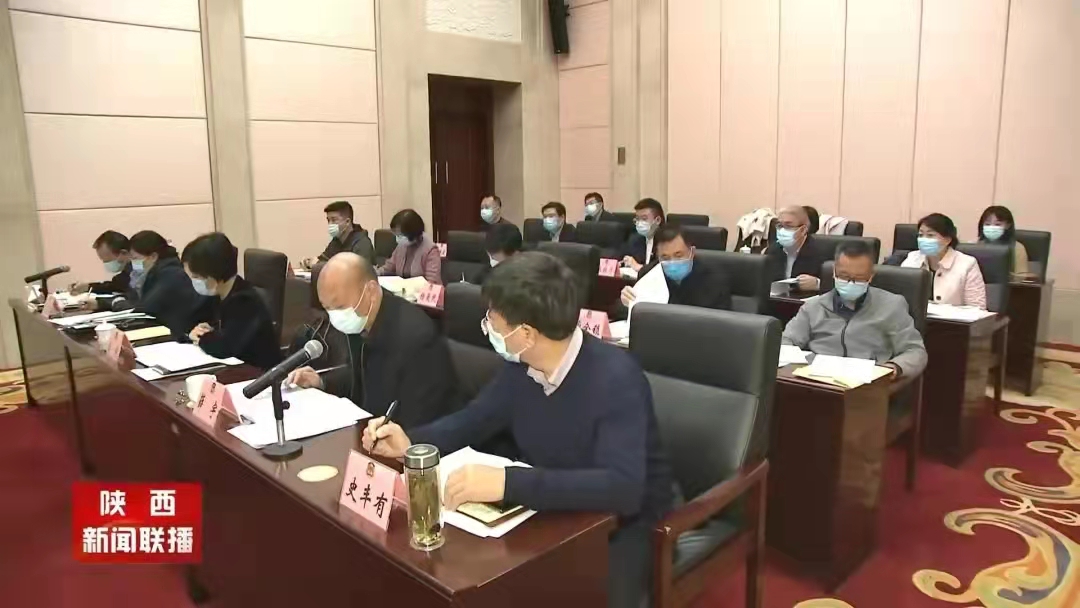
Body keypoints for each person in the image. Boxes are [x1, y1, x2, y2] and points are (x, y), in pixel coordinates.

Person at [362, 252, 673, 608]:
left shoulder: (616, 379)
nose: (487, 328)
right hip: (554, 506)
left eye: (492, 320)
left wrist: (507, 483)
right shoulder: (522, 367)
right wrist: (412, 442)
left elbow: (623, 488)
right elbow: (474, 419)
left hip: (626, 523)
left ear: (526, 333)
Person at [286, 253, 459, 428]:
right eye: (327, 308)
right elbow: (360, 378)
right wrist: (322, 382)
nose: (335, 317)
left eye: (339, 307)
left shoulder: (415, 338)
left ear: (371, 291)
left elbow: (421, 418)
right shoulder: (361, 322)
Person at [783, 241, 927, 379]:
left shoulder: (892, 305)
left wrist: (893, 367)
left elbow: (914, 351)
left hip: (867, 382)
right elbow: (786, 340)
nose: (851, 283)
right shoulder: (813, 306)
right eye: (844, 276)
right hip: (817, 380)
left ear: (870, 276)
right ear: (834, 272)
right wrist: (800, 362)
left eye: (859, 278)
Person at [181, 232, 283, 371]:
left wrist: (202, 337)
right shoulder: (216, 293)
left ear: (213, 274)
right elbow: (187, 321)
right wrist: (197, 332)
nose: (194, 282)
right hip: (235, 370)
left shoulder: (245, 301)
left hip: (259, 373)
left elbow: (225, 347)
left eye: (196, 277)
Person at [617, 224, 731, 319]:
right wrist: (627, 302)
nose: (672, 263)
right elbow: (620, 312)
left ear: (692, 252)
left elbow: (722, 324)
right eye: (665, 257)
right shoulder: (648, 273)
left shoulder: (715, 279)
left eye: (679, 255)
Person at [120, 230, 205, 339]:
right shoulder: (156, 272)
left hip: (184, 334)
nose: (132, 263)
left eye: (135, 258)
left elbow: (146, 307)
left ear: (153, 257)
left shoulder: (171, 274)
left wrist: (117, 303)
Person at [901, 213, 987, 309]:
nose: (923, 239)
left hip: (952, 318)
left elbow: (977, 308)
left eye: (930, 235)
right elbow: (900, 296)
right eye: (921, 235)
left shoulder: (967, 264)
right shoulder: (912, 258)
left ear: (947, 240)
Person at [70, 230, 140, 308]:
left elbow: (132, 300)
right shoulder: (127, 272)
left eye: (108, 261)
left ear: (124, 253)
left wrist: (99, 303)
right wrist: (88, 287)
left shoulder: (140, 271)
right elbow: (115, 286)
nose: (106, 264)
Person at [764, 205, 827, 290]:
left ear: (803, 230)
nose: (782, 231)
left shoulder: (821, 253)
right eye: (780, 226)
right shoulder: (772, 250)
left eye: (788, 226)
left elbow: (834, 286)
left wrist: (818, 284)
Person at [377, 209, 442, 284]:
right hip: (402, 288)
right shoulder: (401, 246)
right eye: (396, 235)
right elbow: (389, 266)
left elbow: (432, 281)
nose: (397, 238)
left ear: (412, 233)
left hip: (422, 289)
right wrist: (375, 273)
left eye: (400, 235)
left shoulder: (430, 250)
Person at [304, 201, 375, 268]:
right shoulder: (336, 241)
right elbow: (324, 259)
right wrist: (309, 262)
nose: (330, 224)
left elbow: (356, 270)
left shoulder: (362, 243)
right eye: (328, 220)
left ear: (347, 222)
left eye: (334, 220)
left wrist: (318, 264)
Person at [978, 205, 1031, 277]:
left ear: (1008, 225)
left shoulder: (1017, 248)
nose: (992, 227)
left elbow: (1022, 277)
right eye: (987, 224)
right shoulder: (975, 245)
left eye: (997, 224)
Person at [620, 198, 665, 272]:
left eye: (644, 219)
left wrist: (640, 268)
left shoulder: (667, 241)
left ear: (657, 220)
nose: (639, 223)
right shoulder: (635, 239)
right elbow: (622, 258)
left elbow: (663, 269)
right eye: (637, 219)